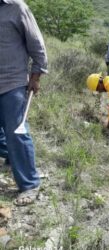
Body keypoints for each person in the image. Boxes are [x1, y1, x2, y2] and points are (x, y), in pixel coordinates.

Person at [0, 0, 48, 205]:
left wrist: (36, 76)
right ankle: (10, 158)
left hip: (12, 81)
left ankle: (29, 184)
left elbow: (36, 43)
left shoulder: (17, 7)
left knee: (16, 131)